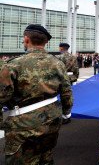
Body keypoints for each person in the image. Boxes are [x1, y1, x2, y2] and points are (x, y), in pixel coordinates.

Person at [0, 24, 73, 164]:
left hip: (23, 125)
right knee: (46, 158)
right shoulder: (57, 63)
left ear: (27, 39)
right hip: (52, 120)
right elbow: (67, 92)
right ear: (46, 42)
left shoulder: (12, 65)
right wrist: (66, 113)